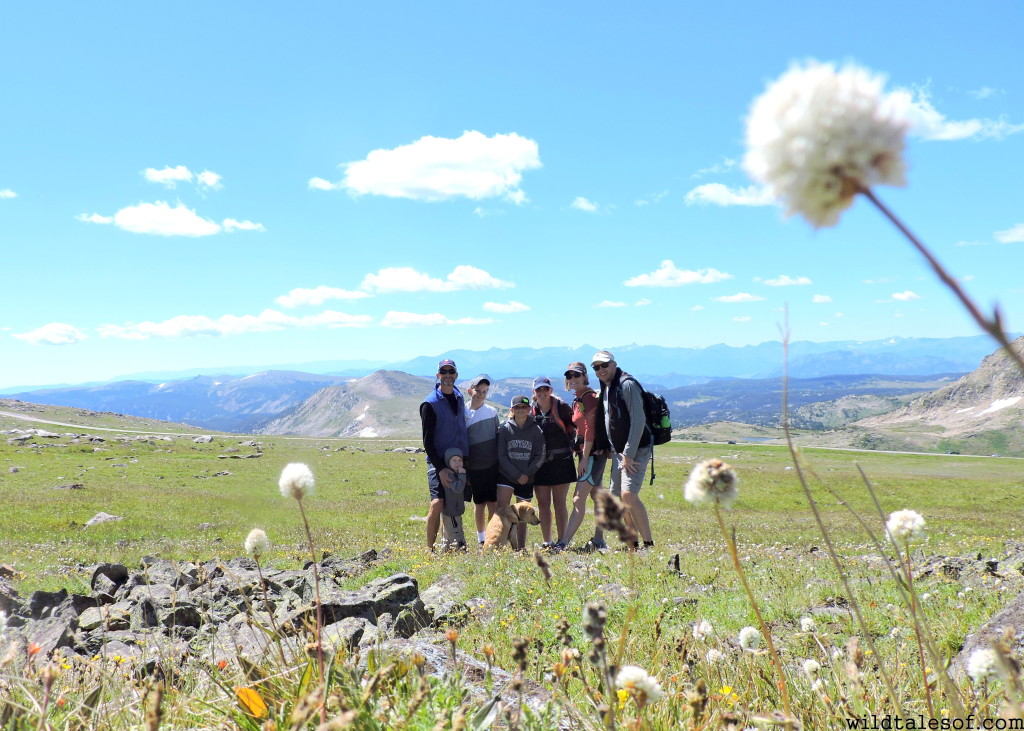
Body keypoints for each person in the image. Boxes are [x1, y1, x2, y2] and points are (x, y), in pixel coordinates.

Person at [592, 350, 654, 551]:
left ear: (614, 364)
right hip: (619, 452)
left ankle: (648, 545)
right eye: (596, 367)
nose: (600, 370)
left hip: (635, 450)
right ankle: (632, 543)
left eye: (604, 365)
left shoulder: (627, 385)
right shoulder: (607, 386)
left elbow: (638, 420)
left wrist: (628, 453)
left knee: (628, 495)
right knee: (620, 496)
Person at [556, 362, 609, 551]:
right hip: (589, 454)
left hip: (592, 455)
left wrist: (585, 458)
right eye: (569, 376)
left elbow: (590, 430)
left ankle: (563, 543)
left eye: (576, 375)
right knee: (597, 496)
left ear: (585, 377)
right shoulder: (578, 398)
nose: (573, 379)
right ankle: (599, 539)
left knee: (578, 499)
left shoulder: (589, 398)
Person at [419, 359, 469, 552]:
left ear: (456, 375)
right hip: (438, 462)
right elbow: (427, 442)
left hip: (458, 461)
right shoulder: (429, 404)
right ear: (438, 375)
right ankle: (429, 548)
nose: (448, 375)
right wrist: (440, 468)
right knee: (438, 503)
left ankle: (453, 543)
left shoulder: (458, 397)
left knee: (454, 503)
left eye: (451, 371)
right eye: (444, 371)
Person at [530, 376, 576, 549]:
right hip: (540, 464)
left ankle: (562, 540)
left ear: (550, 390)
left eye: (545, 389)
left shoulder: (562, 408)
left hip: (561, 461)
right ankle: (547, 540)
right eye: (539, 390)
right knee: (543, 503)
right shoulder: (531, 411)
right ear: (534, 392)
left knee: (559, 502)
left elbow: (573, 429)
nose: (542, 393)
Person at [496, 395, 546, 550]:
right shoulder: (505, 429)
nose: (520, 410)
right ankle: (499, 543)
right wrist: (516, 474)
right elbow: (501, 455)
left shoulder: (536, 430)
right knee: (502, 509)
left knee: (524, 514)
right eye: (517, 407)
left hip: (527, 478)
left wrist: (527, 474)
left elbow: (541, 455)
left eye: (524, 407)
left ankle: (521, 547)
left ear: (529, 409)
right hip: (507, 475)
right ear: (512, 409)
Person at [465, 374, 500, 548]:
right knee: (479, 504)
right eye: (478, 391)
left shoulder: (492, 412)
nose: (481, 394)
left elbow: (497, 437)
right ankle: (481, 538)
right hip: (475, 468)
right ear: (470, 391)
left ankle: (492, 536)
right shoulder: (463, 413)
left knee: (493, 503)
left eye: (485, 391)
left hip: (492, 466)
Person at [439, 448, 469, 550]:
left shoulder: (455, 474)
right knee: (456, 532)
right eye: (454, 461)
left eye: (459, 460)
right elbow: (458, 489)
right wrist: (462, 475)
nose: (458, 463)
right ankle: (460, 549)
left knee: (448, 532)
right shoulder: (449, 475)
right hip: (451, 511)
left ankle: (446, 549)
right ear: (448, 462)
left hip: (454, 510)